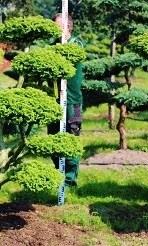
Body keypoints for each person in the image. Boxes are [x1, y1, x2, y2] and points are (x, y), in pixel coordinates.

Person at [48, 13, 84, 187]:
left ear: (67, 26)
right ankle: (58, 176)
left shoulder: (76, 45)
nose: (54, 29)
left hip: (71, 101)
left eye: (57, 25)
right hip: (54, 102)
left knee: (70, 140)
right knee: (53, 141)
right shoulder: (52, 46)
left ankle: (69, 181)